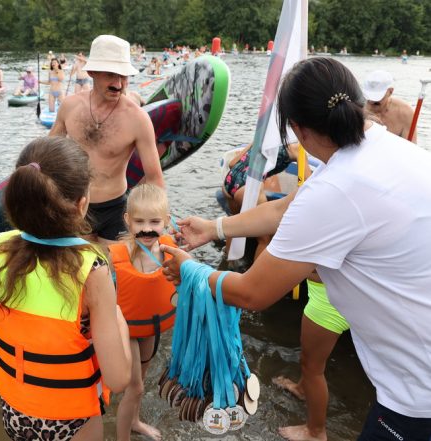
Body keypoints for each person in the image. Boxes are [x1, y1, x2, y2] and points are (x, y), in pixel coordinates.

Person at [161, 57, 431, 440]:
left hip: (418, 396)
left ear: (298, 129)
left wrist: (192, 271)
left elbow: (252, 292)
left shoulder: (337, 188)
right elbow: (288, 208)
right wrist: (215, 228)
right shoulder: (386, 148)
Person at [0, 136, 132, 441]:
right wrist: (119, 319)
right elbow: (119, 379)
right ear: (82, 205)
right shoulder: (91, 272)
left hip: (15, 413)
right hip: (73, 421)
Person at [49, 35, 164, 244]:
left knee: (111, 270)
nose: (118, 84)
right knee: (79, 271)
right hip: (75, 203)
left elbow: (155, 178)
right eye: (111, 75)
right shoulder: (70, 106)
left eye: (124, 76)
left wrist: (157, 222)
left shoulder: (138, 119)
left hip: (116, 209)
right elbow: (47, 153)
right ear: (91, 72)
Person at [109, 184, 176, 441]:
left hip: (151, 323)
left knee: (143, 379)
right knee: (135, 388)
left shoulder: (170, 250)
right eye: (139, 221)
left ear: (167, 221)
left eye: (154, 221)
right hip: (126, 329)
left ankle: (135, 421)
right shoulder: (119, 254)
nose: (147, 228)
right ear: (128, 221)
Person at [362, 70, 416, 142]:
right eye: (368, 98)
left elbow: (411, 148)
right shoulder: (355, 108)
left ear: (390, 91)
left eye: (376, 100)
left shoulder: (406, 112)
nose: (371, 102)